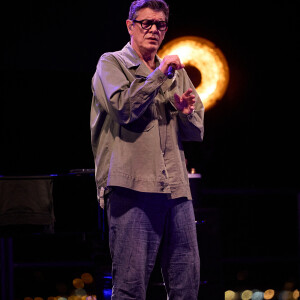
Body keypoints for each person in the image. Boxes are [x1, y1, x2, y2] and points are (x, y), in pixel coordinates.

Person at [90, 0, 204, 298]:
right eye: (146, 23)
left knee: (187, 284)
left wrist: (186, 112)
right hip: (132, 187)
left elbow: (197, 131)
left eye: (161, 24)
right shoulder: (111, 63)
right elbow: (123, 110)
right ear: (130, 26)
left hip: (176, 189)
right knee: (130, 287)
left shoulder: (175, 72)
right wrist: (158, 77)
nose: (154, 29)